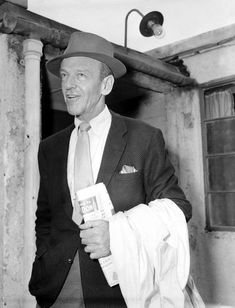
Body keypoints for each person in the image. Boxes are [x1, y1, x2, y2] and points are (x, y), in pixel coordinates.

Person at [29, 31, 192, 308]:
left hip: (118, 289)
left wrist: (116, 234)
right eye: (65, 75)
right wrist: (45, 256)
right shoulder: (50, 147)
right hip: (56, 285)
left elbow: (178, 207)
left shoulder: (144, 137)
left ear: (106, 84)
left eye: (81, 75)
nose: (68, 85)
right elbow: (45, 216)